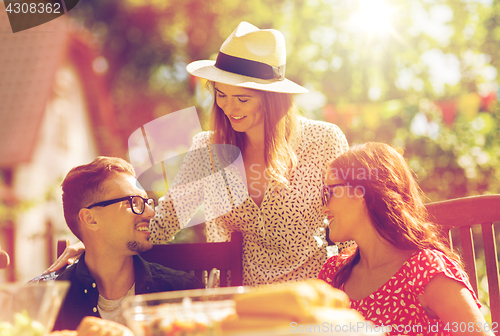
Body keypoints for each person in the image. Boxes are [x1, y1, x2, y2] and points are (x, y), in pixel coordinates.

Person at [47, 21, 351, 286]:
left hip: (311, 298)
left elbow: (351, 229)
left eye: (242, 99)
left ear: (273, 100)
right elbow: (165, 221)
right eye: (221, 95)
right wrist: (95, 245)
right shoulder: (208, 151)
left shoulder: (323, 141)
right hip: (233, 305)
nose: (229, 109)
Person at [318, 142, 493, 336]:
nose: (324, 207)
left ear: (361, 191)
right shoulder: (333, 274)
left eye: (330, 192)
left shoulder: (425, 271)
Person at [31, 157, 202, 331]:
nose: (150, 212)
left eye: (147, 202)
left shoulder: (182, 293)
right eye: (134, 202)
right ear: (90, 219)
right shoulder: (43, 302)